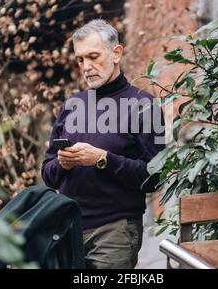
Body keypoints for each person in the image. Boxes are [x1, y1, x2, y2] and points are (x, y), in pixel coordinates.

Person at [41, 19, 165, 269]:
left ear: (116, 53)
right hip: (67, 230)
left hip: (114, 232)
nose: (86, 67)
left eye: (93, 57)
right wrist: (63, 163)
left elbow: (155, 176)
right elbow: (48, 174)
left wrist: (103, 159)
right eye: (80, 59)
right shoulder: (72, 105)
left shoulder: (145, 105)